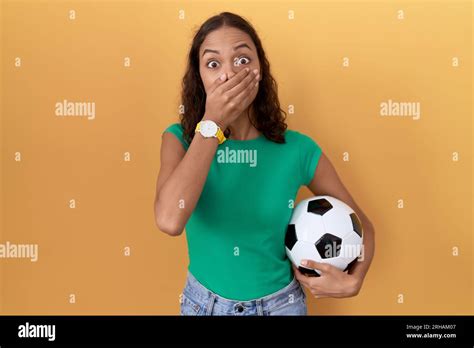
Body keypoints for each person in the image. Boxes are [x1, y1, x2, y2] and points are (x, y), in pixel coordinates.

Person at [154, 12, 375, 316]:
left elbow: (365, 228)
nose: (229, 74)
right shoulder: (179, 140)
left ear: (260, 69)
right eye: (213, 63)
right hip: (203, 306)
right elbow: (169, 220)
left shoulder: (298, 149)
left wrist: (355, 281)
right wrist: (213, 123)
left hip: (282, 306)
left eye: (242, 60)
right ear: (199, 77)